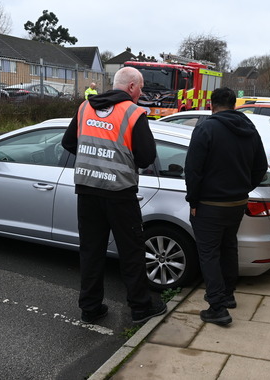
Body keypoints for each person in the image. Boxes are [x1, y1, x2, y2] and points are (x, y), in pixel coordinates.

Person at [61, 67, 167, 325]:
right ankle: (140, 308)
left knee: (91, 251)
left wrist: (95, 159)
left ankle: (90, 308)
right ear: (131, 87)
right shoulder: (133, 113)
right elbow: (145, 157)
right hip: (120, 194)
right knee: (131, 251)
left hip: (87, 191)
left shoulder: (85, 107)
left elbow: (68, 142)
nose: (142, 92)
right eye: (140, 87)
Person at [184, 87, 268, 326]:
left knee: (209, 253)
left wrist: (193, 200)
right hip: (238, 202)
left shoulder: (205, 128)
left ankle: (217, 307)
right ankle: (228, 295)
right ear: (234, 105)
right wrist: (244, 188)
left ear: (212, 105)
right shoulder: (250, 130)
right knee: (229, 246)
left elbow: (193, 169)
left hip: (209, 204)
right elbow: (260, 167)